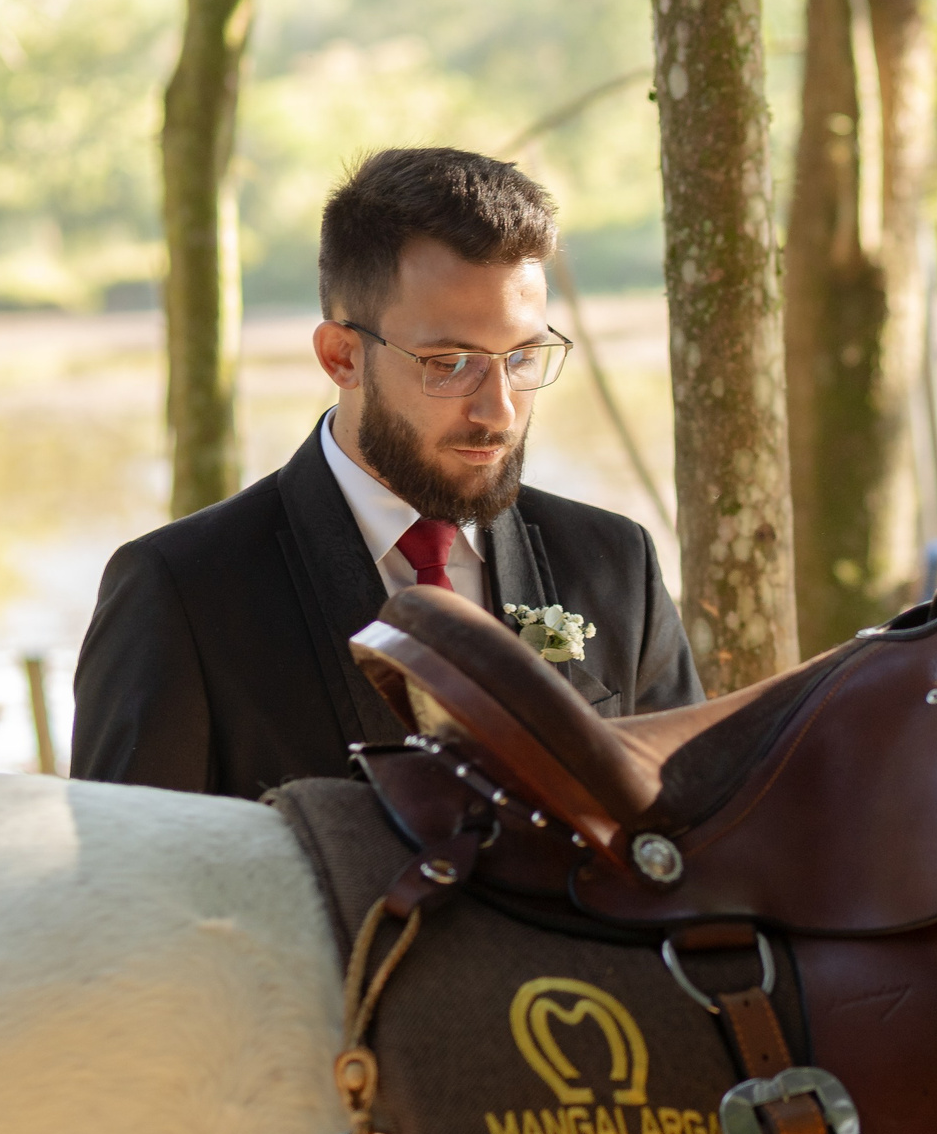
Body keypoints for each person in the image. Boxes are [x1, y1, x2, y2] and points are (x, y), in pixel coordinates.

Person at [72, 147, 704, 796]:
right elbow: (129, 887)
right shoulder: (179, 594)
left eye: (521, 356)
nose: (499, 409)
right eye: (450, 362)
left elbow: (687, 843)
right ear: (342, 356)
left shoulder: (616, 565)